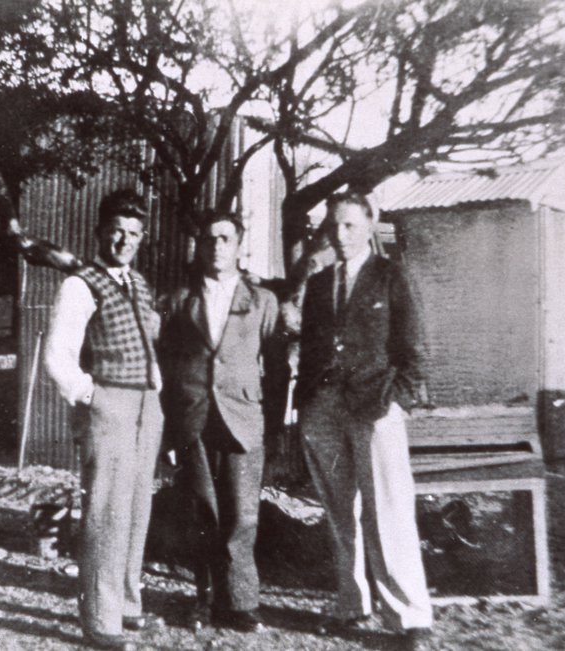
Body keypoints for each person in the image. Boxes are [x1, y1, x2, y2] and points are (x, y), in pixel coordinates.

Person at [295, 190, 433, 647]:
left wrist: (398, 402)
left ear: (370, 226)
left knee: (389, 512)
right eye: (334, 226)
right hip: (323, 409)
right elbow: (311, 349)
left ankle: (410, 617)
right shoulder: (318, 284)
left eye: (350, 225)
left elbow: (414, 350)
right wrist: (306, 402)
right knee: (339, 513)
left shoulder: (391, 277)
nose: (341, 235)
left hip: (375, 408)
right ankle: (351, 605)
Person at [44, 189, 163, 651]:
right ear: (99, 232)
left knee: (136, 510)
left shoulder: (140, 283)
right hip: (109, 405)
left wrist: (157, 391)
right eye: (116, 230)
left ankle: (128, 605)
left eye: (133, 233)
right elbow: (59, 355)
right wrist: (90, 395)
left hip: (145, 405)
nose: (124, 240)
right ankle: (100, 617)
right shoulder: (80, 283)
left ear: (142, 237)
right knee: (107, 513)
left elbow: (149, 348)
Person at [159, 211, 279, 634]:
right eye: (209, 239)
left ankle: (241, 602)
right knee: (201, 514)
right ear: (199, 245)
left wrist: (272, 424)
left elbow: (275, 363)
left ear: (239, 244)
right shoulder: (177, 302)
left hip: (243, 418)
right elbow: (167, 366)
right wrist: (170, 428)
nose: (217, 247)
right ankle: (203, 599)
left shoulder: (262, 301)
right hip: (194, 417)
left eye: (225, 238)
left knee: (242, 516)